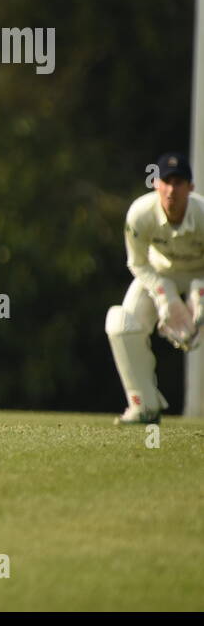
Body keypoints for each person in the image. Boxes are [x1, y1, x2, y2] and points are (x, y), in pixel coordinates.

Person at [105, 151, 204, 424]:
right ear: (156, 184)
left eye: (179, 182)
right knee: (121, 323)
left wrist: (200, 294)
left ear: (191, 188)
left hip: (201, 275)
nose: (172, 190)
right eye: (167, 182)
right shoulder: (140, 214)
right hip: (158, 273)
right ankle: (144, 405)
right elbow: (137, 263)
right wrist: (165, 296)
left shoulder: (203, 216)